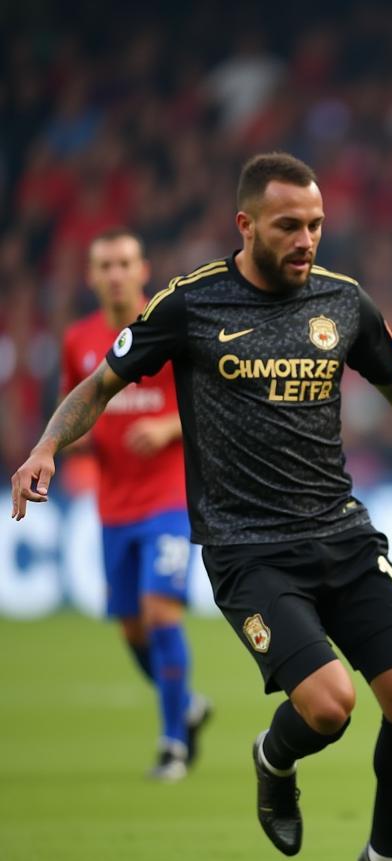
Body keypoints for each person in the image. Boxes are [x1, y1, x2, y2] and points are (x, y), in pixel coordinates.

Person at [12, 151, 392, 861]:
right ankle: (273, 757)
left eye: (316, 224)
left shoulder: (343, 303)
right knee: (329, 708)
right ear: (246, 224)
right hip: (248, 550)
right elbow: (98, 387)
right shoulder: (190, 304)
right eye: (289, 224)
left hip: (343, 534)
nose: (306, 238)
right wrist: (48, 446)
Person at [61, 228, 212, 781]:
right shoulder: (78, 339)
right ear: (92, 276)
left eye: (125, 262)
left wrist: (168, 426)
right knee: (131, 629)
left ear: (143, 268)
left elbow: (208, 402)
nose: (116, 274)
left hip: (170, 499)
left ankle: (173, 744)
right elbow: (79, 406)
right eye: (106, 265)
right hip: (113, 506)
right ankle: (188, 705)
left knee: (159, 613)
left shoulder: (168, 327)